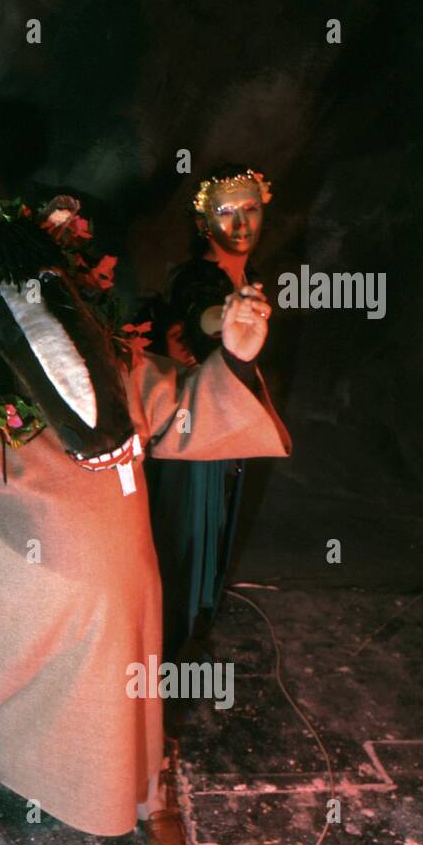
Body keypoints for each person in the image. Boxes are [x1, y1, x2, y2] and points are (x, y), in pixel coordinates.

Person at [0, 190, 290, 845]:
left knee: (131, 694)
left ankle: (146, 795)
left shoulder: (119, 367)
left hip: (124, 587)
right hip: (33, 584)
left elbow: (188, 412)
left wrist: (233, 355)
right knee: (1, 679)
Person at [147, 165, 274, 662]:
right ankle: (161, 668)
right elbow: (204, 311)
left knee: (208, 542)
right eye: (226, 212)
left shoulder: (246, 275)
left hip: (219, 430)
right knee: (182, 547)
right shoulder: (198, 277)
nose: (240, 223)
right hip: (189, 436)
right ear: (203, 222)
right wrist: (230, 315)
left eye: (250, 209)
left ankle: (181, 649)